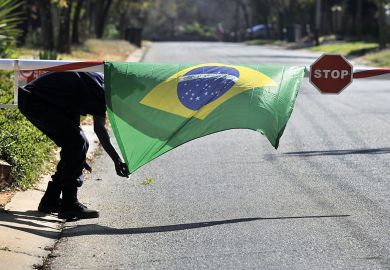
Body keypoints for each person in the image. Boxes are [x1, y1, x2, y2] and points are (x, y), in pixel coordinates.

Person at [18, 71, 130, 220]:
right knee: (77, 142)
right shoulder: (101, 91)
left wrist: (78, 155)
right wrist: (116, 160)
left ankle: (50, 201)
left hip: (39, 100)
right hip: (35, 100)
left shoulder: (100, 82)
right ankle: (69, 204)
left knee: (77, 143)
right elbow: (100, 130)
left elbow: (72, 109)